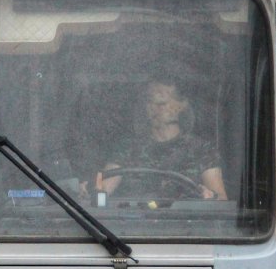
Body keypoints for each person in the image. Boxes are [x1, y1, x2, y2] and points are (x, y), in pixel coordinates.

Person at [96, 78, 227, 200]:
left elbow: (220, 200)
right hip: (134, 223)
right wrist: (92, 190)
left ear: (181, 106)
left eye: (161, 103)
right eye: (149, 102)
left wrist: (209, 196)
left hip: (184, 224)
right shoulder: (128, 148)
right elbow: (103, 189)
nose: (153, 108)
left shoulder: (202, 150)